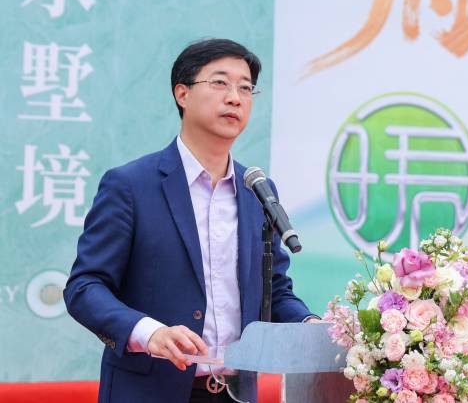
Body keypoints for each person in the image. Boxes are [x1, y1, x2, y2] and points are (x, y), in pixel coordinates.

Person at [64, 39, 318, 403]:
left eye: (245, 88)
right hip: (150, 393)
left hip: (235, 394)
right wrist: (148, 333)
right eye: (220, 83)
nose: (235, 98)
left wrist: (310, 325)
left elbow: (273, 290)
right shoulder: (131, 185)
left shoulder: (256, 191)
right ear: (182, 94)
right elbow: (85, 287)